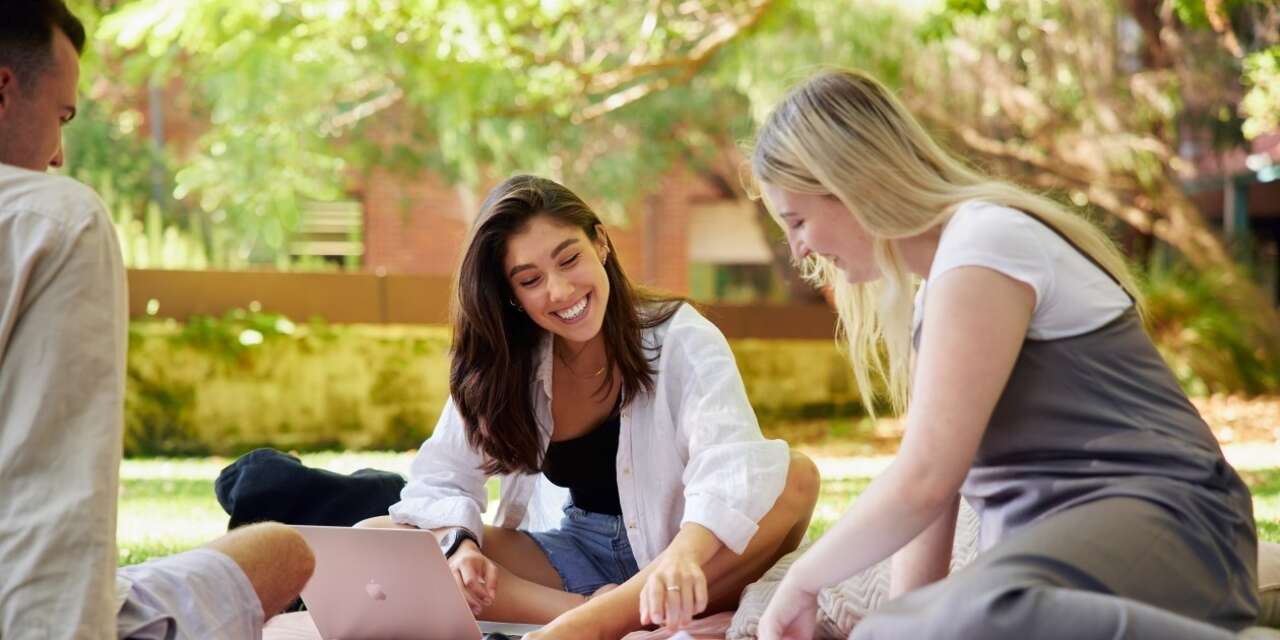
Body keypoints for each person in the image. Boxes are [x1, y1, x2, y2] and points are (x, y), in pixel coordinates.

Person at [750, 69, 1258, 639]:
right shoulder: (937, 293)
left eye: (797, 221)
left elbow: (924, 481)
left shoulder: (986, 243)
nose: (798, 250)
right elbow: (931, 508)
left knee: (961, 619)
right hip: (1049, 568)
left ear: (851, 181)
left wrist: (803, 583)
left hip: (1173, 528)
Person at [357, 175, 820, 639]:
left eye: (569, 259)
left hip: (686, 557)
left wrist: (684, 555)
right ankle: (590, 615)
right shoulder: (506, 363)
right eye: (531, 280)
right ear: (510, 293)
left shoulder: (681, 336)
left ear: (600, 242)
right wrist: (459, 547)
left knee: (795, 477)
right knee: (381, 539)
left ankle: (590, 626)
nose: (560, 291)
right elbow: (440, 476)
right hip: (575, 556)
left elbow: (728, 466)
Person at [0, 2, 315, 637]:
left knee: (280, 549)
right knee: (286, 550)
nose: (60, 154)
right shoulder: (51, 222)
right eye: (61, 116)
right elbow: (50, 516)